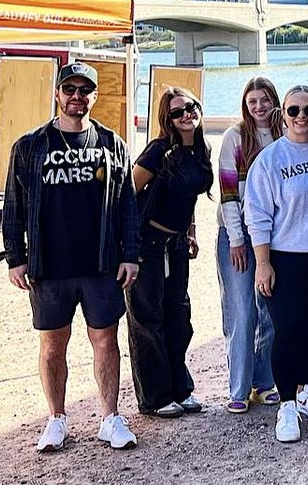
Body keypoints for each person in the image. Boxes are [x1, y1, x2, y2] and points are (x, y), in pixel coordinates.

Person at [1, 62, 140, 451]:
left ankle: (110, 417)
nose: (77, 96)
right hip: (51, 266)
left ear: (95, 96)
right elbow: (14, 206)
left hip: (101, 264)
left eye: (85, 89)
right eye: (70, 89)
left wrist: (131, 254)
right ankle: (56, 419)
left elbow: (127, 203)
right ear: (58, 94)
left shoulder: (112, 144)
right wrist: (16, 256)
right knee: (52, 344)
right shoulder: (29, 146)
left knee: (106, 340)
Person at [245, 85, 308, 443]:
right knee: (288, 330)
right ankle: (286, 404)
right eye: (294, 110)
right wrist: (262, 262)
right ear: (283, 115)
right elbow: (258, 215)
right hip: (284, 257)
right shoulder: (270, 159)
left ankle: (306, 390)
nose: (302, 117)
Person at [127, 87, 213, 418]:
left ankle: (181, 388)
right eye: (177, 112)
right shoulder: (159, 151)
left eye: (190, 107)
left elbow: (188, 197)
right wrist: (128, 248)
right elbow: (126, 194)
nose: (186, 114)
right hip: (148, 245)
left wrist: (190, 232)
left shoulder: (200, 150)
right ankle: (155, 397)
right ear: (168, 119)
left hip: (176, 245)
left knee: (179, 317)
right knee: (148, 319)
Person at [216, 77, 282, 413]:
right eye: (253, 101)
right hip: (239, 230)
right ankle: (239, 387)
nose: (259, 106)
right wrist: (237, 239)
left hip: (275, 231)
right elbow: (228, 191)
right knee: (241, 311)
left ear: (274, 101)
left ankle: (264, 380)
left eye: (265, 99)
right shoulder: (235, 137)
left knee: (268, 309)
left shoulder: (284, 134)